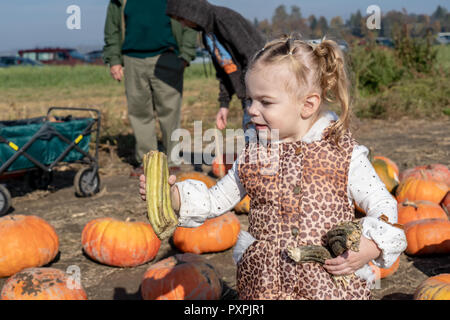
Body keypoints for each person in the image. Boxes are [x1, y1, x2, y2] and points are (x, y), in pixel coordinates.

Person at [139, 35, 407, 300]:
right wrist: (172, 196)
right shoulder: (253, 153)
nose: (253, 110)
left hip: (328, 285)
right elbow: (215, 199)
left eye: (265, 102)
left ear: (307, 105)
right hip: (265, 283)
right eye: (249, 100)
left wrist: (371, 245)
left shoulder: (343, 154)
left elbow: (383, 204)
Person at [103, 0, 197, 176]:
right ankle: (148, 162)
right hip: (132, 60)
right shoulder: (119, 1)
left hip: (167, 57)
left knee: (170, 111)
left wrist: (186, 55)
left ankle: (172, 160)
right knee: (139, 113)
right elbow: (112, 30)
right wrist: (114, 60)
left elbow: (190, 22)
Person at [165, 0, 266, 131]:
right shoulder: (208, 35)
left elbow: (253, 57)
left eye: (182, 19)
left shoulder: (224, 20)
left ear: (191, 11)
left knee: (262, 144)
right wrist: (224, 105)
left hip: (260, 97)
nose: (183, 25)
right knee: (252, 145)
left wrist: (253, 98)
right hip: (249, 99)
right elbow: (224, 70)